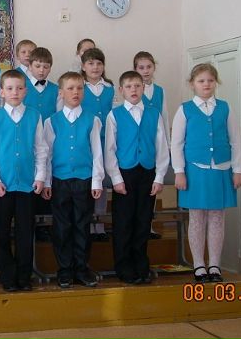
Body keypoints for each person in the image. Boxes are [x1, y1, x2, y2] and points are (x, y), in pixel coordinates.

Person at [171, 63, 241, 283]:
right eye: (201, 81)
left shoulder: (225, 108)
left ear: (216, 83)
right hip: (195, 170)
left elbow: (236, 141)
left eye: (210, 81)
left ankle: (214, 264)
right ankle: (198, 265)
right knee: (196, 217)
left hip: (221, 169)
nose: (206, 84)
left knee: (217, 217)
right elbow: (176, 143)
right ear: (192, 84)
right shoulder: (185, 109)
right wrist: (179, 171)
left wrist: (238, 170)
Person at [0, 69, 47, 292]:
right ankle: (7, 277)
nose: (15, 92)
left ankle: (24, 277)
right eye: (9, 88)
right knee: (0, 233)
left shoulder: (35, 116)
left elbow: (41, 149)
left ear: (26, 91)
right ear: (2, 92)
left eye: (19, 88)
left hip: (27, 185)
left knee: (25, 233)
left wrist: (40, 176)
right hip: (3, 186)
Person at [105, 70, 169, 285]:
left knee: (143, 221)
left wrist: (159, 177)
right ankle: (124, 267)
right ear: (121, 90)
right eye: (129, 86)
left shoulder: (154, 114)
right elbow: (110, 149)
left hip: (147, 172)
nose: (133, 90)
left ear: (143, 88)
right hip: (125, 173)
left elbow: (162, 147)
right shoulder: (114, 115)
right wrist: (116, 178)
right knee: (123, 222)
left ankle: (141, 265)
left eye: (137, 86)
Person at [42, 71, 103, 288]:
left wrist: (97, 180)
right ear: (61, 93)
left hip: (84, 179)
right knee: (62, 226)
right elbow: (47, 154)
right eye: (70, 88)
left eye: (79, 88)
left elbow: (97, 152)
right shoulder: (52, 122)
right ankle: (65, 269)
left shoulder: (92, 120)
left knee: (82, 225)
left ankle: (81, 268)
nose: (75, 92)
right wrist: (47, 181)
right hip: (60, 180)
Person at [133, 50, 171, 240]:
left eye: (149, 67)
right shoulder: (132, 89)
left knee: (152, 186)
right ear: (135, 69)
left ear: (154, 67)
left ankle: (148, 226)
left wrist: (167, 145)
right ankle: (137, 226)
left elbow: (164, 117)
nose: (145, 71)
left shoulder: (160, 91)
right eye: (141, 67)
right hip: (137, 145)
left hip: (154, 143)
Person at [24, 47, 59, 242]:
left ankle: (44, 226)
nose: (41, 70)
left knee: (47, 179)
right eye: (37, 66)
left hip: (49, 141)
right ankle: (30, 224)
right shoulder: (22, 88)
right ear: (30, 66)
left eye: (45, 67)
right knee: (32, 179)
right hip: (28, 141)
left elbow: (59, 115)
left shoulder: (55, 89)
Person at [80, 48, 115, 241]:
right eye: (91, 63)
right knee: (89, 181)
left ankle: (99, 226)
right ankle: (88, 224)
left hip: (106, 141)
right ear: (83, 66)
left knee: (101, 181)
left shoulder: (110, 88)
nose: (95, 67)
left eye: (99, 63)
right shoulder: (79, 87)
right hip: (85, 142)